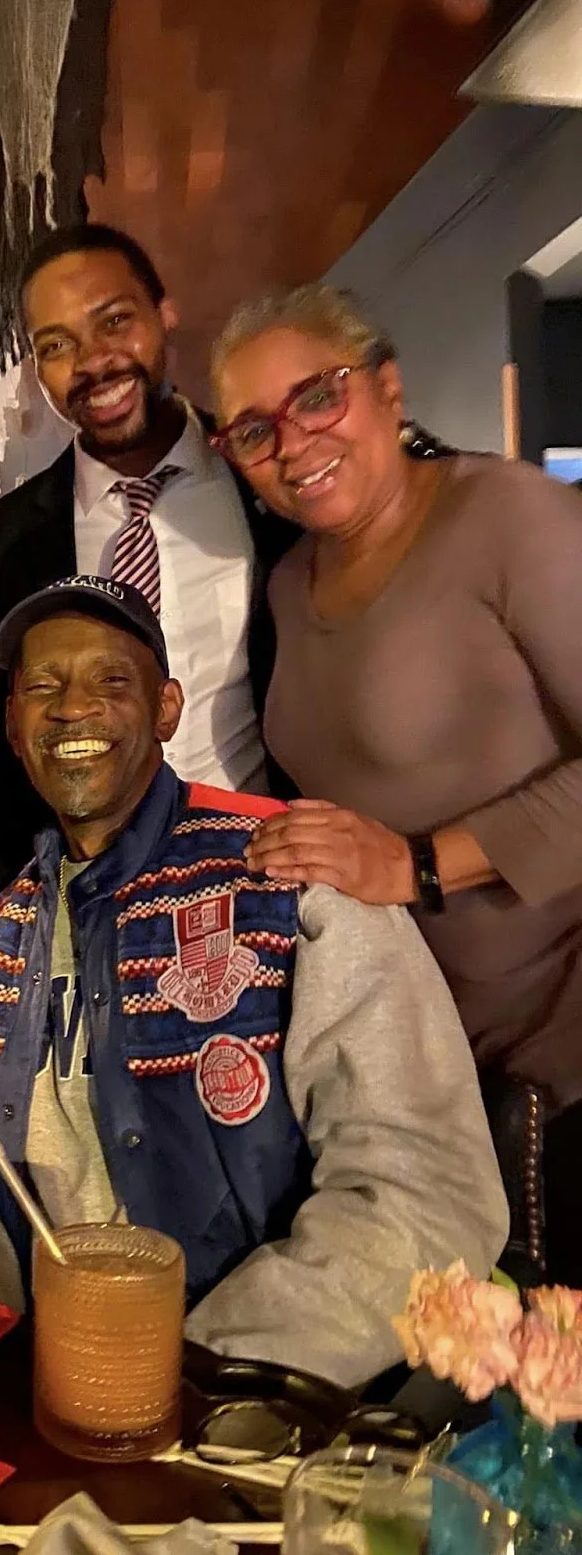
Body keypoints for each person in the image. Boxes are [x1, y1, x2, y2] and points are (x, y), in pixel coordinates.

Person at [0, 575, 506, 1389]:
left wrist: (197, 1374)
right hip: (44, 1414)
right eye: (43, 686)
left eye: (112, 680)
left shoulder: (291, 879)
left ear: (167, 710)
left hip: (266, 1413)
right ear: (12, 725)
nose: (74, 708)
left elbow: (424, 1195)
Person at [210, 284, 582, 1290]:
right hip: (408, 1059)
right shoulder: (291, 583)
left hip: (553, 1054)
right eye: (253, 430)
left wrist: (418, 864)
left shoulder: (509, 514)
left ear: (386, 385)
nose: (293, 442)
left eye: (318, 396)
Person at [0, 224, 300, 897]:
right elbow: (1, 754)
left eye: (114, 321)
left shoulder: (271, 485)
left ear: (164, 314)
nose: (94, 361)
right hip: (92, 899)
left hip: (268, 875)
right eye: (57, 345)